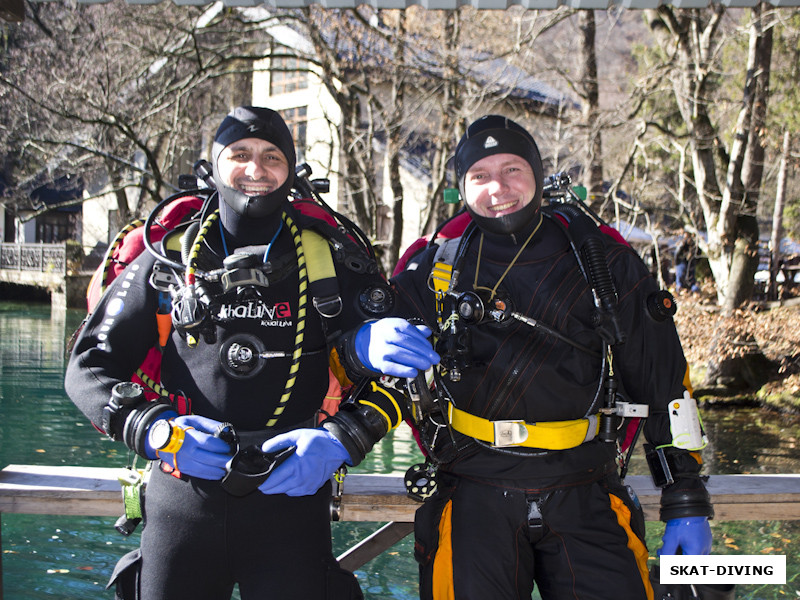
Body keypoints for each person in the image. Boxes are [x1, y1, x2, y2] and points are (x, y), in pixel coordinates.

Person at [341, 115, 715, 599]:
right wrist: (353, 372)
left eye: (513, 169)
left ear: (538, 174)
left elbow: (663, 382)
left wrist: (686, 496)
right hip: (470, 491)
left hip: (588, 488)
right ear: (461, 188)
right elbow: (382, 373)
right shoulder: (433, 268)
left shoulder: (603, 261)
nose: (498, 188)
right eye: (480, 175)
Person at [64, 106, 408, 600]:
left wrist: (342, 440)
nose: (256, 169)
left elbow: (408, 371)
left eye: (272, 156)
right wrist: (154, 428)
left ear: (290, 169)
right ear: (215, 165)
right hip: (183, 500)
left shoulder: (328, 259)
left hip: (292, 499)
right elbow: (88, 364)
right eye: (239, 154)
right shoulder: (169, 259)